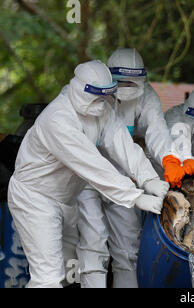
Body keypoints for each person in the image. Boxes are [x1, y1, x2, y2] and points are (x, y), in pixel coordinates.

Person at [7, 60, 166, 288]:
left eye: (106, 96)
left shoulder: (100, 110)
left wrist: (148, 178)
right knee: (48, 277)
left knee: (70, 272)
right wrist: (134, 196)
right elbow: (90, 164)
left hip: (66, 199)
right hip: (35, 199)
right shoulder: (58, 119)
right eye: (97, 96)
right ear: (78, 88)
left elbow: (122, 144)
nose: (102, 102)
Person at [75, 49, 181, 288]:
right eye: (120, 81)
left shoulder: (147, 98)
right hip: (87, 176)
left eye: (131, 82)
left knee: (128, 251)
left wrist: (170, 160)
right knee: (93, 243)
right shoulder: (92, 95)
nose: (125, 87)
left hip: (125, 178)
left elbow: (157, 132)